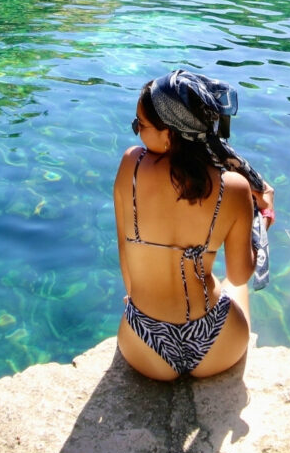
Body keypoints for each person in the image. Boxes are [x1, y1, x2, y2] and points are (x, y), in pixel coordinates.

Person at [113, 70, 274, 381]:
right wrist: (263, 218)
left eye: (140, 126)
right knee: (227, 286)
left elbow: (124, 249)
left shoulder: (130, 165)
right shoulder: (234, 186)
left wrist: (134, 297)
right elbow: (241, 275)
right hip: (217, 346)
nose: (136, 133)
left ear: (168, 134)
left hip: (143, 346)